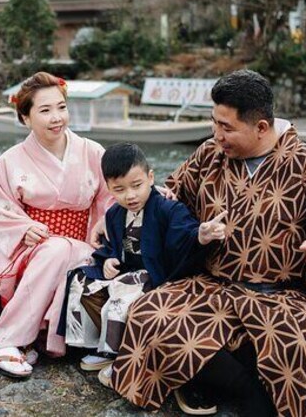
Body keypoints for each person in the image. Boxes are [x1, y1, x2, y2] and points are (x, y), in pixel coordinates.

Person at [109, 70, 306, 417]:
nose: (216, 135)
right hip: (211, 285)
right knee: (147, 315)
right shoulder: (209, 155)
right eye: (214, 123)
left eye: (226, 127)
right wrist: (117, 220)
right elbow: (168, 197)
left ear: (262, 127)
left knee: (301, 347)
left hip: (282, 295)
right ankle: (248, 392)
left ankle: (213, 380)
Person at [63, 142, 217, 416]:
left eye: (136, 185)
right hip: (126, 269)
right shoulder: (114, 213)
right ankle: (98, 345)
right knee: (80, 280)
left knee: (122, 297)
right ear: (109, 188)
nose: (130, 195)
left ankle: (119, 357)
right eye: (119, 189)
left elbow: (185, 235)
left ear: (151, 177)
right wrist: (108, 259)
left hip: (154, 273)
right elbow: (112, 248)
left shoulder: (167, 208)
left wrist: (201, 236)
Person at [0, 71, 113, 379]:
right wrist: (24, 227)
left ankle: (33, 338)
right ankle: (5, 342)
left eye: (61, 107)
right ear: (25, 118)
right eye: (45, 110)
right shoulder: (9, 162)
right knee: (55, 249)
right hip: (30, 253)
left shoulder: (93, 152)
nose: (57, 117)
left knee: (71, 252)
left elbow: (112, 202)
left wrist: (103, 226)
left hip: (83, 247)